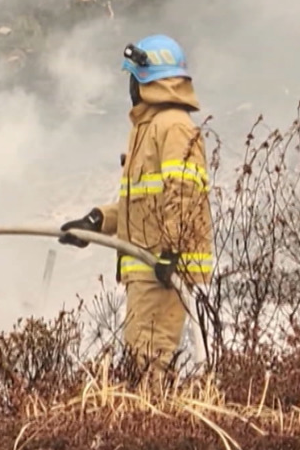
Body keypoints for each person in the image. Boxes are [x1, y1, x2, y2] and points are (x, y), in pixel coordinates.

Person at [58, 34, 214, 379]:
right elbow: (142, 204)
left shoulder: (173, 127)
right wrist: (96, 221)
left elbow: (183, 193)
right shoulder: (149, 128)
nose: (129, 86)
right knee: (142, 365)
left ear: (147, 78)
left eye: (132, 76)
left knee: (147, 371)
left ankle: (153, 432)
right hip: (148, 272)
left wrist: (171, 252)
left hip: (163, 271)